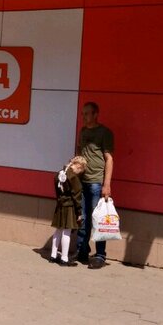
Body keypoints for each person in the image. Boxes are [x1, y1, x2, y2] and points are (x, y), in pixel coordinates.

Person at [75, 101, 114, 268]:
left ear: (95, 114)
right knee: (82, 219)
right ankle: (82, 251)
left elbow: (109, 159)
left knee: (98, 219)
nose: (83, 117)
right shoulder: (83, 131)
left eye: (87, 113)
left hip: (96, 183)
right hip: (82, 182)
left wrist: (107, 185)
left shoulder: (104, 133)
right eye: (82, 114)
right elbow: (79, 153)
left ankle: (100, 255)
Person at [50, 156, 87, 266]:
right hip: (70, 206)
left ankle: (53, 255)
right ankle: (64, 258)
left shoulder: (59, 173)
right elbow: (77, 196)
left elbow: (57, 191)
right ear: (79, 166)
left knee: (58, 230)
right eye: (81, 171)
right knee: (66, 232)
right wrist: (79, 212)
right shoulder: (73, 177)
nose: (79, 173)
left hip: (60, 205)